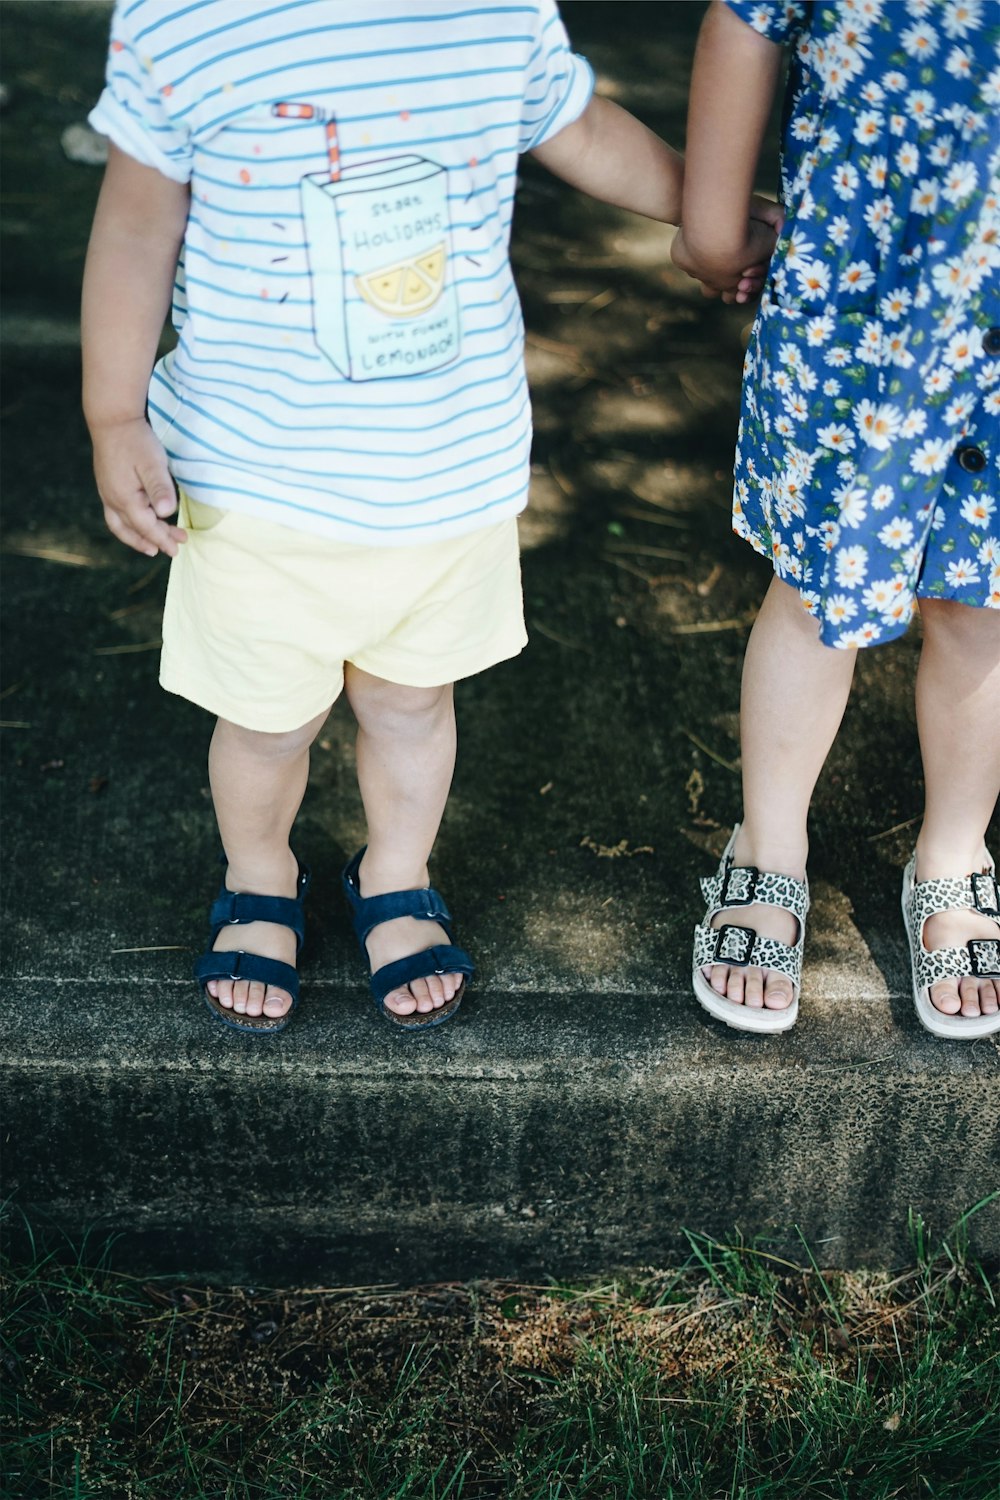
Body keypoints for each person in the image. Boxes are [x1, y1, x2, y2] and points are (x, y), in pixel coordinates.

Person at [83, 0, 780, 1035]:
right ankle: (261, 872)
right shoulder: (187, 20)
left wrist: (707, 215)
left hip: (448, 471)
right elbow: (139, 223)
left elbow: (579, 128)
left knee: (412, 706)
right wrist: (113, 410)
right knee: (269, 722)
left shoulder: (492, 11)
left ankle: (396, 872)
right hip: (255, 479)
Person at [673, 0, 1000, 1038]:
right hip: (860, 302)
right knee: (818, 587)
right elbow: (746, 21)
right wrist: (711, 225)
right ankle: (767, 851)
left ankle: (954, 851)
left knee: (981, 605)